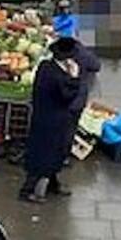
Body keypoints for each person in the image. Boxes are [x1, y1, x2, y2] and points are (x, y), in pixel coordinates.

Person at [20, 41, 82, 203]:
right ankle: (28, 190)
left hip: (44, 117)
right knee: (44, 156)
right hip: (52, 121)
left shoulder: (45, 67)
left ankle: (53, 183)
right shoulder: (57, 77)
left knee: (55, 153)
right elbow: (67, 96)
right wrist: (74, 78)